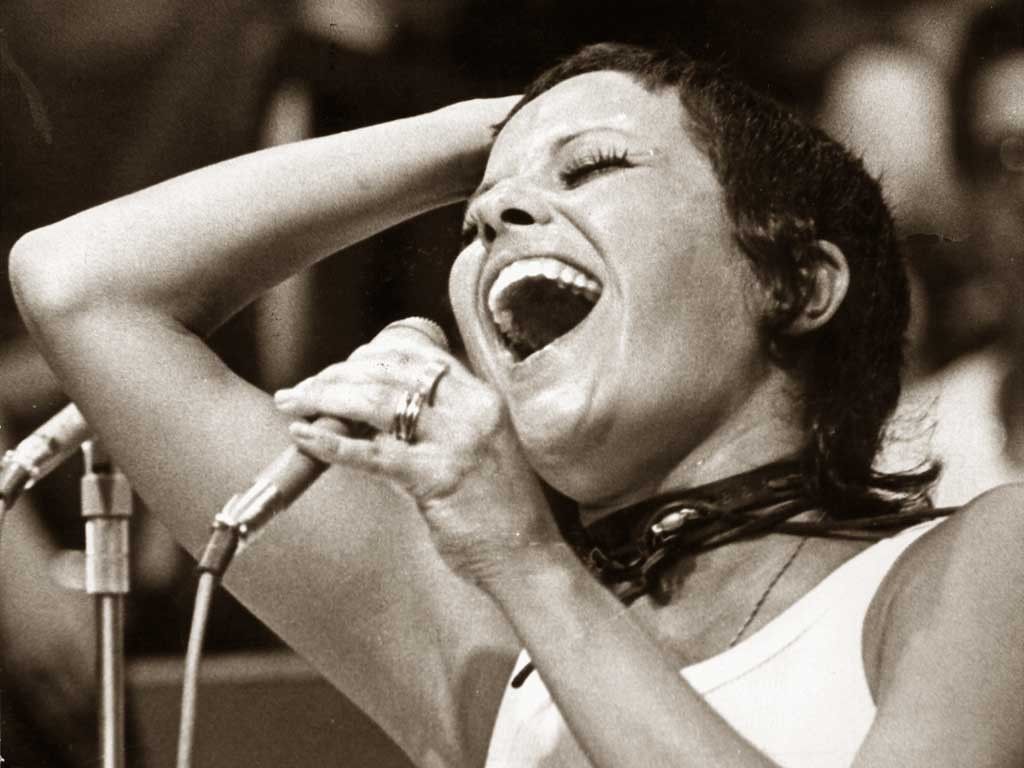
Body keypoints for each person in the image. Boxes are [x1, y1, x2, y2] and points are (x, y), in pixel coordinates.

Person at [9, 43, 1024, 768]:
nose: (493, 213)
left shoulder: (979, 560)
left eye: (596, 168)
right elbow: (80, 285)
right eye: (474, 215)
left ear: (796, 282)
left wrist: (526, 562)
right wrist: (488, 131)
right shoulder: (489, 646)